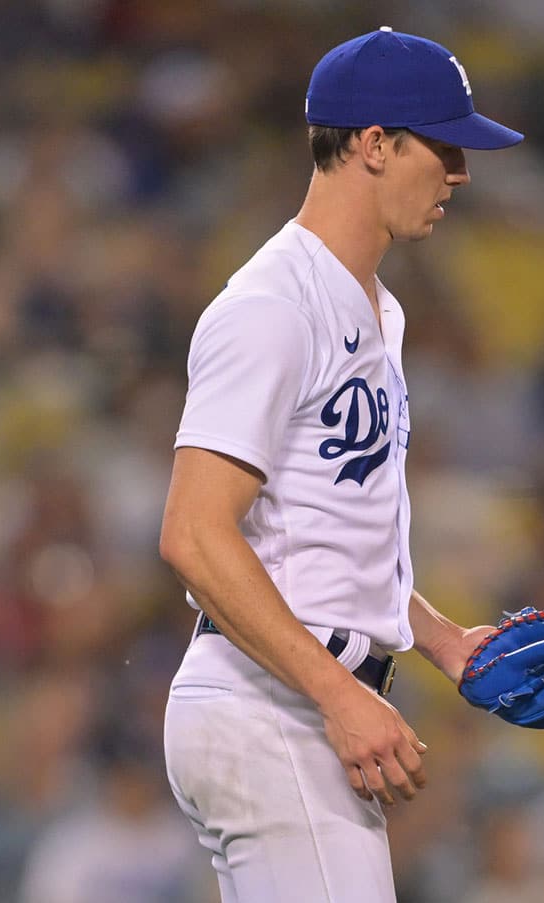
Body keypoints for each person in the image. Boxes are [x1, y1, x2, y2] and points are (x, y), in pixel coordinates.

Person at [158, 27, 521, 902]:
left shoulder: (374, 309)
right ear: (371, 144)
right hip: (271, 702)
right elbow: (193, 537)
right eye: (443, 145)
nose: (461, 173)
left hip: (292, 701)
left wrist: (442, 640)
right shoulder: (272, 306)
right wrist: (338, 694)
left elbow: (328, 527)